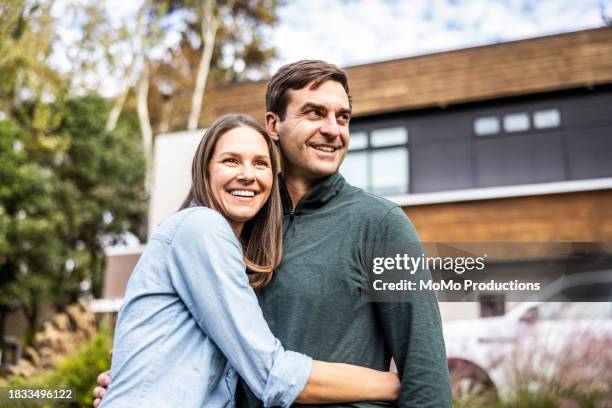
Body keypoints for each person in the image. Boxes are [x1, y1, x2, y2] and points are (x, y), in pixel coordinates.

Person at [96, 61, 452, 407]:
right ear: (274, 124)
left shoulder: (381, 223)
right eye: (314, 113)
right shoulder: (238, 225)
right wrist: (138, 382)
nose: (333, 129)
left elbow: (425, 369)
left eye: (342, 117)